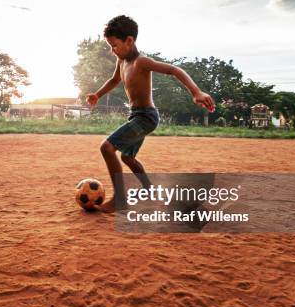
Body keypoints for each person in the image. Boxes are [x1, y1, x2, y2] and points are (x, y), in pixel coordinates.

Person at [86, 15, 215, 212]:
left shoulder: (141, 62)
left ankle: (120, 198)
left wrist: (196, 92)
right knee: (127, 158)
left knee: (107, 148)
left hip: (146, 116)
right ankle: (149, 189)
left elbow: (174, 69)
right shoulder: (121, 62)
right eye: (110, 46)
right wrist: (97, 94)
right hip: (137, 115)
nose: (113, 51)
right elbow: (114, 81)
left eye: (114, 45)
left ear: (129, 41)